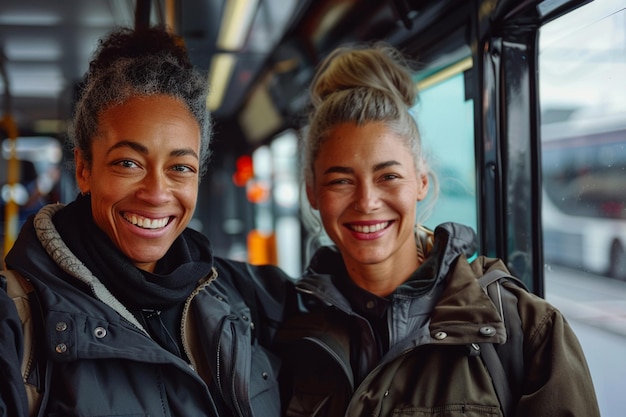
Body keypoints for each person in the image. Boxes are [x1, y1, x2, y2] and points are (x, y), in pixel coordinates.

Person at [276, 43, 600, 416]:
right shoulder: (292, 327)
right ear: (312, 193)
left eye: (389, 176)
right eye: (341, 182)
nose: (366, 202)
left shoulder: (525, 330)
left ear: (421, 182)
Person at [0, 26, 293, 417]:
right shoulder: (16, 320)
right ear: (84, 169)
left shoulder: (242, 295)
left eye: (180, 167)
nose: (156, 193)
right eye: (128, 163)